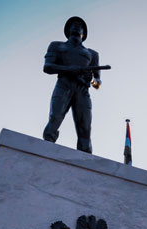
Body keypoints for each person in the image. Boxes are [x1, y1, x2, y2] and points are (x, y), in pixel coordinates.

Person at [42, 16, 102, 153]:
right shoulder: (57, 46)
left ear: (84, 32)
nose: (76, 26)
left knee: (85, 129)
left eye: (79, 25)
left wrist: (91, 79)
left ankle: (85, 161)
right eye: (73, 24)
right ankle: (45, 151)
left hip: (82, 90)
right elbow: (47, 67)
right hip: (64, 85)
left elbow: (97, 83)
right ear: (68, 29)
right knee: (54, 118)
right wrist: (69, 69)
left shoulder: (92, 54)